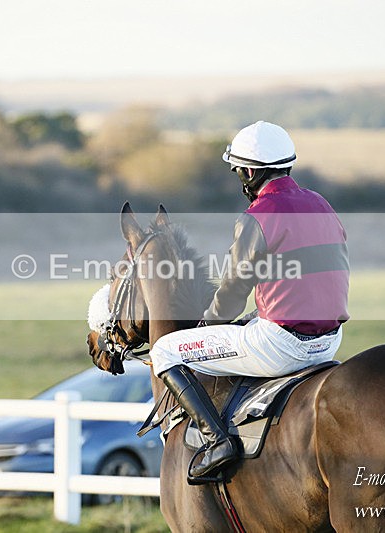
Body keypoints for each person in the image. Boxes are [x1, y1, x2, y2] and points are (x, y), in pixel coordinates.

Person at [149, 120, 350, 482]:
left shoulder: (257, 217)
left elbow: (232, 292)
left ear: (249, 172)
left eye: (238, 171)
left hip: (281, 346)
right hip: (329, 341)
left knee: (165, 351)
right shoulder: (321, 204)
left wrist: (204, 328)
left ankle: (217, 441)